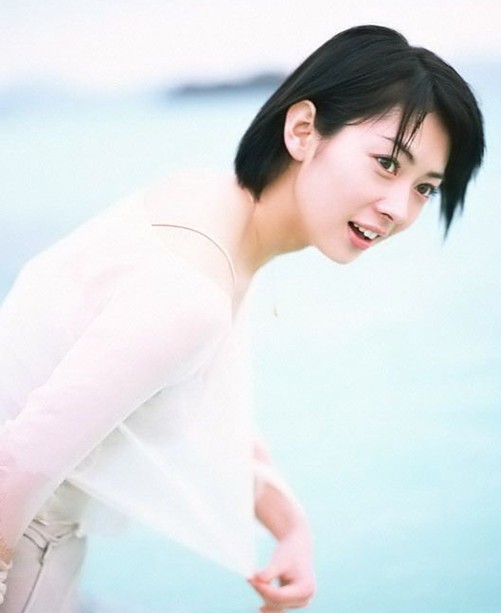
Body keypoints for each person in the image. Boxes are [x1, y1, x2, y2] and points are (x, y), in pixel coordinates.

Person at [0, 24, 484, 613]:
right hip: (24, 548)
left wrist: (290, 525)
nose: (399, 209)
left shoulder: (205, 202)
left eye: (425, 188)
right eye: (386, 163)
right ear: (302, 130)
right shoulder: (192, 290)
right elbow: (16, 468)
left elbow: (196, 397)